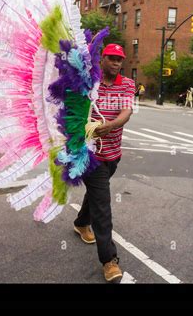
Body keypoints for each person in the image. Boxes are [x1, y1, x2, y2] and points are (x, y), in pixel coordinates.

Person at [73, 43, 135, 283]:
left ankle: (80, 223)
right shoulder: (89, 82)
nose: (116, 63)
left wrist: (109, 126)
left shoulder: (127, 84)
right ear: (102, 59)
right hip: (91, 154)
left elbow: (126, 112)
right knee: (103, 205)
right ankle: (109, 260)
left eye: (120, 60)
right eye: (111, 58)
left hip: (113, 153)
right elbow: (72, 110)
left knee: (96, 195)